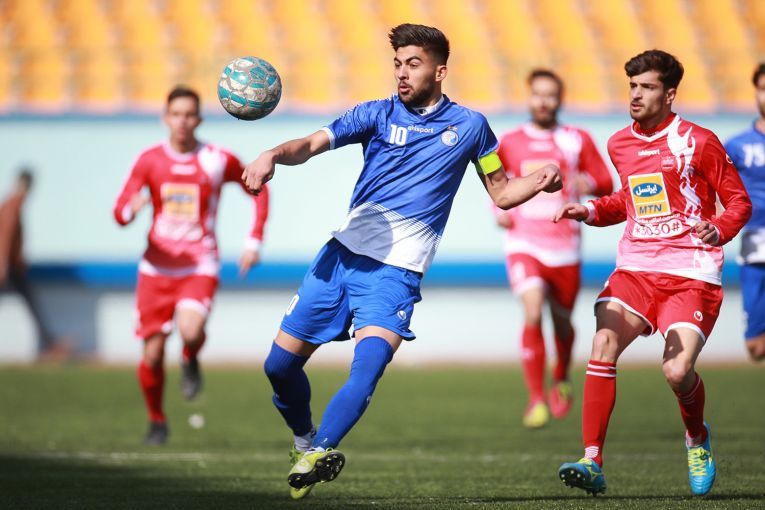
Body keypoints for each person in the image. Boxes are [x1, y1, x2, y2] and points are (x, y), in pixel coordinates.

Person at [240, 23, 562, 500]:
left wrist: (541, 177)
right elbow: (309, 145)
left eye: (413, 64)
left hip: (395, 274)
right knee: (278, 368)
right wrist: (271, 154)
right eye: (397, 64)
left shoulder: (471, 127)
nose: (402, 73)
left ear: (440, 71)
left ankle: (319, 452)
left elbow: (502, 191)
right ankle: (304, 439)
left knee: (367, 366)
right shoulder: (374, 114)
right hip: (340, 260)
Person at [552, 50, 751, 497]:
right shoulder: (620, 143)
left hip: (690, 272)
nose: (636, 95)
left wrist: (719, 229)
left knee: (677, 371)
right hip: (637, 268)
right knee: (603, 344)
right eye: (632, 86)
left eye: (647, 87)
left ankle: (696, 437)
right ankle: (592, 460)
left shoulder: (698, 141)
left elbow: (738, 201)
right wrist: (590, 210)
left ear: (670, 94)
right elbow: (631, 200)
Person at [113, 86, 269, 445]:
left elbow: (258, 188)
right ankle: (157, 420)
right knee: (152, 354)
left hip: (199, 265)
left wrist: (253, 241)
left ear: (198, 119)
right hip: (156, 269)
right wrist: (129, 211)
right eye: (176, 114)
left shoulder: (216, 159)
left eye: (189, 114)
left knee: (191, 329)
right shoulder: (149, 160)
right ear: (165, 118)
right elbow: (119, 211)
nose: (182, 121)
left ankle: (190, 357)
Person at [495, 69, 613, 429]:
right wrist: (497, 211)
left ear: (560, 99)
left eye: (550, 95)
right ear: (529, 97)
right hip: (524, 242)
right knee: (532, 312)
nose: (543, 101)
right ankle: (536, 399)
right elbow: (494, 181)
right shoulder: (510, 141)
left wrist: (587, 182)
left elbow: (606, 181)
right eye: (537, 94)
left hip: (564, 247)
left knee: (562, 322)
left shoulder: (576, 139)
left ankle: (561, 375)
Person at [0, 169, 70, 361]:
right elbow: (5, 236)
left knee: (32, 303)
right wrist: (3, 263)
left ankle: (49, 343)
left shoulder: (12, 204)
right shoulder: (12, 206)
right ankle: (50, 344)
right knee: (32, 304)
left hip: (12, 266)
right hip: (7, 267)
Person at [724, 62, 765, 362]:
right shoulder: (737, 146)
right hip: (755, 245)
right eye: (763, 89)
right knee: (755, 347)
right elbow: (717, 194)